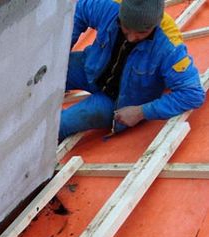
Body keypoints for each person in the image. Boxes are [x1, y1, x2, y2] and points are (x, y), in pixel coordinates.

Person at [59, 0, 205, 142]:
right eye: (126, 28)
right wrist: (62, 53)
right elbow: (77, 12)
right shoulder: (111, 7)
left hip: (117, 101)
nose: (131, 38)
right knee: (44, 75)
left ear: (155, 24)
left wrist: (141, 112)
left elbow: (192, 94)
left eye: (141, 33)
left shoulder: (169, 48)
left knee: (62, 124)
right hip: (90, 69)